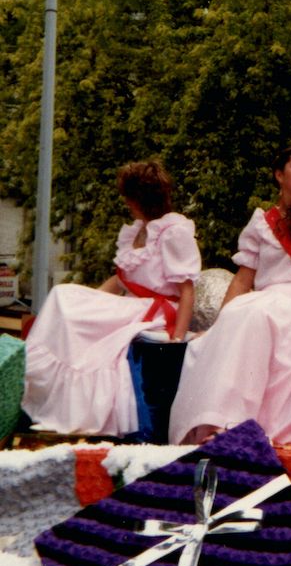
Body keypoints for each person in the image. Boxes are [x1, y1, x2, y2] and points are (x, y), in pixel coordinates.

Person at [168, 147, 291, 445]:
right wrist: (218, 325)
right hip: (265, 300)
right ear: (279, 175)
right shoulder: (262, 223)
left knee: (258, 314)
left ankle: (240, 426)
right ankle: (213, 423)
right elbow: (242, 280)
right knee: (237, 319)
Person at [22, 160, 201, 437]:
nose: (127, 203)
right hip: (130, 304)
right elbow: (120, 280)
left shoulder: (173, 232)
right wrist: (89, 303)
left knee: (64, 296)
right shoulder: (135, 231)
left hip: (154, 311)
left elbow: (187, 289)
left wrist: (177, 339)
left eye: (129, 197)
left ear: (139, 198)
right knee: (65, 295)